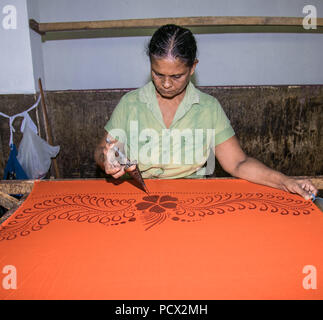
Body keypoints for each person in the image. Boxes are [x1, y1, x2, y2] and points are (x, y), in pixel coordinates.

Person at [94, 24, 318, 200]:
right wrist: (108, 159)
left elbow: (238, 163)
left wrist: (286, 181)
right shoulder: (130, 103)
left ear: (193, 67)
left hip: (193, 197)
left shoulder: (209, 108)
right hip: (138, 196)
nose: (166, 84)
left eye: (176, 76)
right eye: (157, 73)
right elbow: (103, 150)